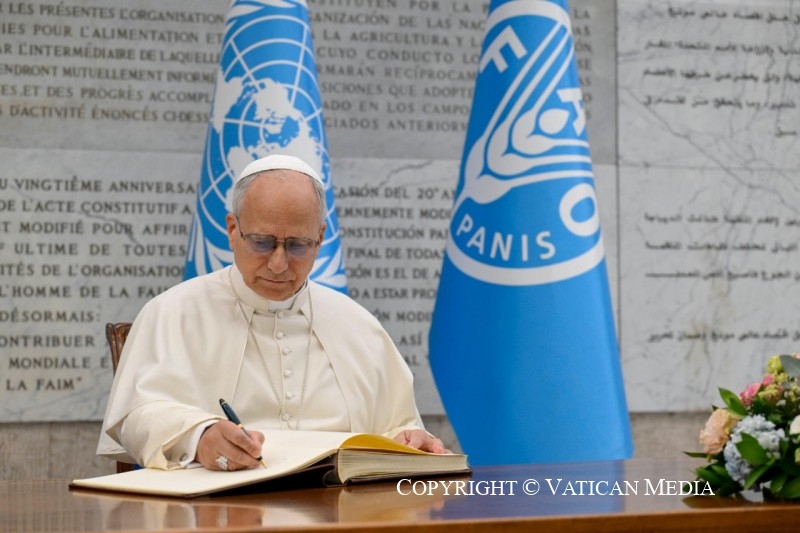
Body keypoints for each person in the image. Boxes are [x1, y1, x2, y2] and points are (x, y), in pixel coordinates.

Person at [97, 154, 446, 471]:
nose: (279, 264)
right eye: (262, 242)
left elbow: (397, 427)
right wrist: (199, 436)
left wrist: (411, 439)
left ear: (320, 237)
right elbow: (135, 416)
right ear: (233, 230)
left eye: (297, 245)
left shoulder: (359, 326)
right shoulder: (173, 312)